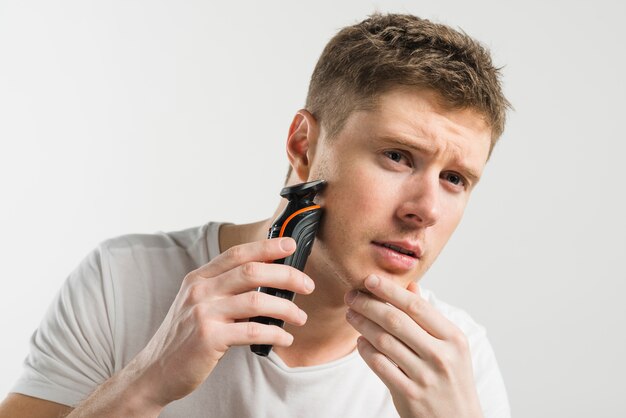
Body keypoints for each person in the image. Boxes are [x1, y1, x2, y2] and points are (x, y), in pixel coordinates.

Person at [0, 12, 512, 418]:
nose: (424, 210)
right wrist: (145, 384)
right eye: (398, 156)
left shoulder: (459, 361)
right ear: (303, 145)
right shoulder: (122, 281)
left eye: (454, 179)